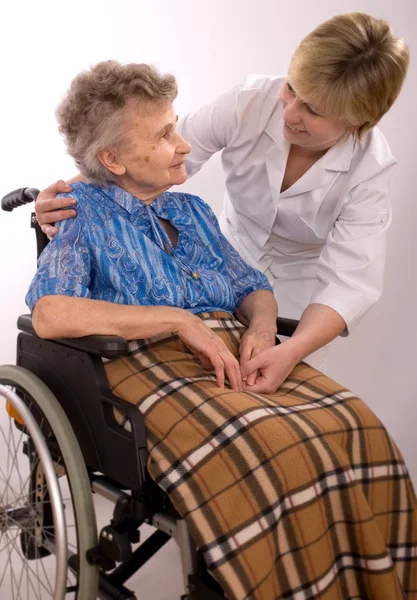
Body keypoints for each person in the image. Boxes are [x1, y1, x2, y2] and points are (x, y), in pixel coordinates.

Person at [26, 60, 417, 600]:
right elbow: (51, 313)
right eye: (164, 135)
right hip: (145, 366)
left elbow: (249, 283)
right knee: (277, 449)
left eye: (177, 125)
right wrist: (179, 320)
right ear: (112, 158)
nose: (185, 145)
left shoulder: (191, 210)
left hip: (229, 350)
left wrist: (260, 326)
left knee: (358, 428)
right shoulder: (80, 212)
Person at [34, 12, 410, 387]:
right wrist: (63, 195)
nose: (289, 113)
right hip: (164, 365)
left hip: (295, 290)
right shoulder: (250, 101)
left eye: (314, 110)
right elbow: (130, 155)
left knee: (340, 424)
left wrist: (275, 338)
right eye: (293, 89)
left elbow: (348, 284)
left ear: (357, 122)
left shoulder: (194, 213)